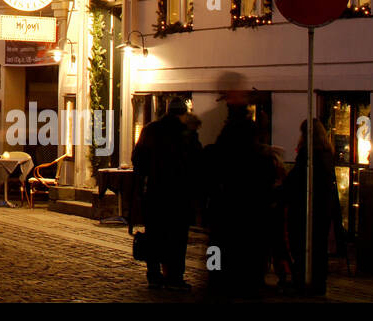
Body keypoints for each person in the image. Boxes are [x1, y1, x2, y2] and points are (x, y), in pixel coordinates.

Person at [203, 103, 278, 296]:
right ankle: (249, 281)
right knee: (247, 248)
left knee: (218, 248)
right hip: (249, 211)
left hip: (226, 208)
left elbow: (213, 171)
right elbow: (267, 180)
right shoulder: (258, 154)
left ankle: (217, 278)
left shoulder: (225, 143)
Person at [131, 97, 201, 290]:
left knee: (155, 233)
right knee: (178, 237)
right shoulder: (187, 133)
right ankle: (175, 276)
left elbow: (138, 159)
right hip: (180, 194)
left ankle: (153, 274)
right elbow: (197, 162)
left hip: (156, 192)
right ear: (183, 113)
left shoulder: (151, 130)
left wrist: (144, 183)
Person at [284, 118, 341, 295]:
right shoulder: (326, 153)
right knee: (318, 246)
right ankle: (318, 282)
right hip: (323, 208)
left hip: (306, 207)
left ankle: (303, 280)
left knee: (302, 244)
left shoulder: (309, 154)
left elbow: (296, 180)